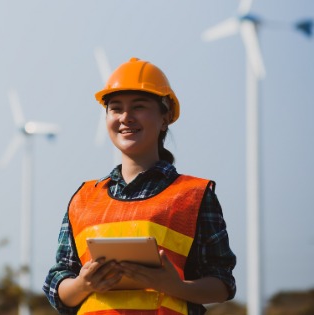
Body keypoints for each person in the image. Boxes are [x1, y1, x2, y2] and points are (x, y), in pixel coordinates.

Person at [43, 57, 236, 315]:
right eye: (115, 108)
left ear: (165, 118)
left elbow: (222, 283)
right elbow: (58, 286)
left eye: (139, 106)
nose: (126, 117)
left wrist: (175, 286)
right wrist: (83, 284)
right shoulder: (83, 199)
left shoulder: (194, 196)